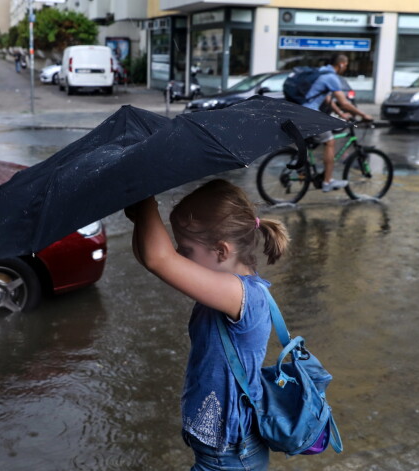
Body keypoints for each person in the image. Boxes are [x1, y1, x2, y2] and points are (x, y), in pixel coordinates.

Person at [126, 179, 290, 471]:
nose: (179, 256)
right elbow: (151, 259)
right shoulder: (225, 288)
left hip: (230, 458)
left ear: (221, 251)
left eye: (186, 250)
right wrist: (142, 218)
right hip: (221, 452)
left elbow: (159, 259)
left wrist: (147, 201)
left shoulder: (241, 295)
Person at [303, 53, 373, 192]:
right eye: (346, 65)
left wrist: (340, 114)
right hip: (309, 114)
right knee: (330, 141)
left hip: (300, 112)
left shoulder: (321, 73)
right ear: (341, 64)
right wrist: (363, 115)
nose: (345, 68)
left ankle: (302, 168)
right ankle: (327, 181)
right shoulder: (332, 77)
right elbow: (344, 103)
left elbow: (327, 99)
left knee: (316, 141)